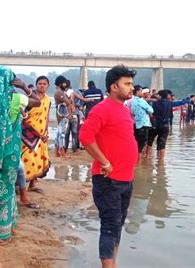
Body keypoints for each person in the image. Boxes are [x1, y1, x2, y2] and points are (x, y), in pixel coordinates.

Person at [79, 65, 138, 268]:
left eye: (131, 83)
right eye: (127, 84)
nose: (132, 87)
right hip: (108, 180)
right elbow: (85, 136)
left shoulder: (123, 109)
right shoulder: (102, 109)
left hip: (126, 179)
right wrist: (104, 161)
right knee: (110, 227)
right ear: (114, 87)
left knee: (118, 225)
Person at [0, 66, 34, 245]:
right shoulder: (18, 98)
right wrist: (24, 87)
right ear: (11, 81)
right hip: (10, 153)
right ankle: (4, 230)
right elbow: (37, 102)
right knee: (7, 188)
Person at [21, 75, 50, 193]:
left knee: (38, 158)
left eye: (44, 84)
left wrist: (46, 131)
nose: (42, 86)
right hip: (28, 133)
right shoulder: (30, 98)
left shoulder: (48, 99)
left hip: (42, 133)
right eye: (40, 83)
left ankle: (33, 184)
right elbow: (22, 114)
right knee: (26, 159)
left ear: (48, 86)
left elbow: (47, 115)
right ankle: (21, 185)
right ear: (36, 85)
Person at [131, 85, 153, 159]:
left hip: (137, 124)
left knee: (137, 143)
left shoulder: (132, 100)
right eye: (141, 91)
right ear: (137, 91)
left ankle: (136, 161)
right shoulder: (140, 100)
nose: (142, 92)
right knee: (141, 145)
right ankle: (139, 163)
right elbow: (151, 110)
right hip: (144, 124)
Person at [54, 75, 72, 158]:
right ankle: (62, 152)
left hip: (60, 114)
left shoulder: (57, 91)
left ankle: (57, 150)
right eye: (64, 83)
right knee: (62, 134)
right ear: (61, 83)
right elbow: (68, 102)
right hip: (63, 115)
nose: (65, 85)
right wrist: (69, 100)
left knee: (59, 133)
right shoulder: (59, 92)